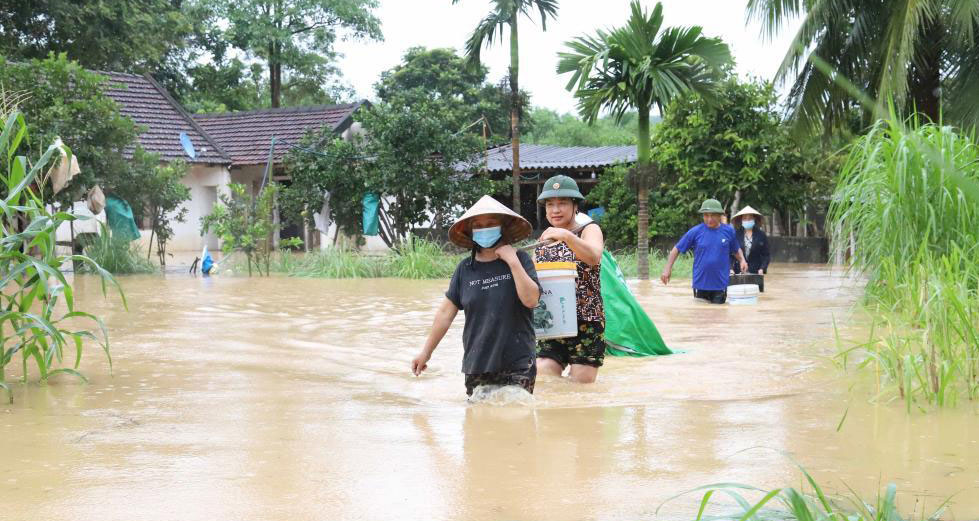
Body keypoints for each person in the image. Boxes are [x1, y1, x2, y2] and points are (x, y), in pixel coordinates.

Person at [411, 195, 542, 397]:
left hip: (518, 362)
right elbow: (445, 314)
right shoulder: (465, 269)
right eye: (478, 225)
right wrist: (425, 353)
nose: (484, 228)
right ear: (471, 232)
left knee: (518, 416)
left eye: (490, 223)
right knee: (479, 422)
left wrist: (512, 261)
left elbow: (531, 300)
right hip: (477, 364)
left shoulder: (521, 259)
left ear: (503, 227)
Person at [534, 175, 606, 383]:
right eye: (550, 204)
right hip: (551, 320)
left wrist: (565, 236)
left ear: (575, 205)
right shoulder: (543, 240)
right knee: (544, 373)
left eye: (562, 203)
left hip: (587, 320)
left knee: (581, 384)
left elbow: (594, 256)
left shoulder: (589, 229)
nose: (555, 210)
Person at [661, 198, 749, 304]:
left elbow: (736, 249)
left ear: (719, 215)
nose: (709, 219)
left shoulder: (728, 231)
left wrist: (742, 260)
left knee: (719, 316)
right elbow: (677, 249)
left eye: (712, 215)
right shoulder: (696, 231)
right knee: (700, 316)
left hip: (720, 285)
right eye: (706, 215)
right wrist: (667, 268)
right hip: (700, 284)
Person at [731, 206, 770, 275]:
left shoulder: (761, 235)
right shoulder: (735, 234)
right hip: (738, 272)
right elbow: (730, 254)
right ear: (741, 220)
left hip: (756, 272)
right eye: (745, 218)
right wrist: (730, 269)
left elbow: (766, 255)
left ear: (754, 219)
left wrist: (762, 268)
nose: (747, 220)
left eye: (750, 218)